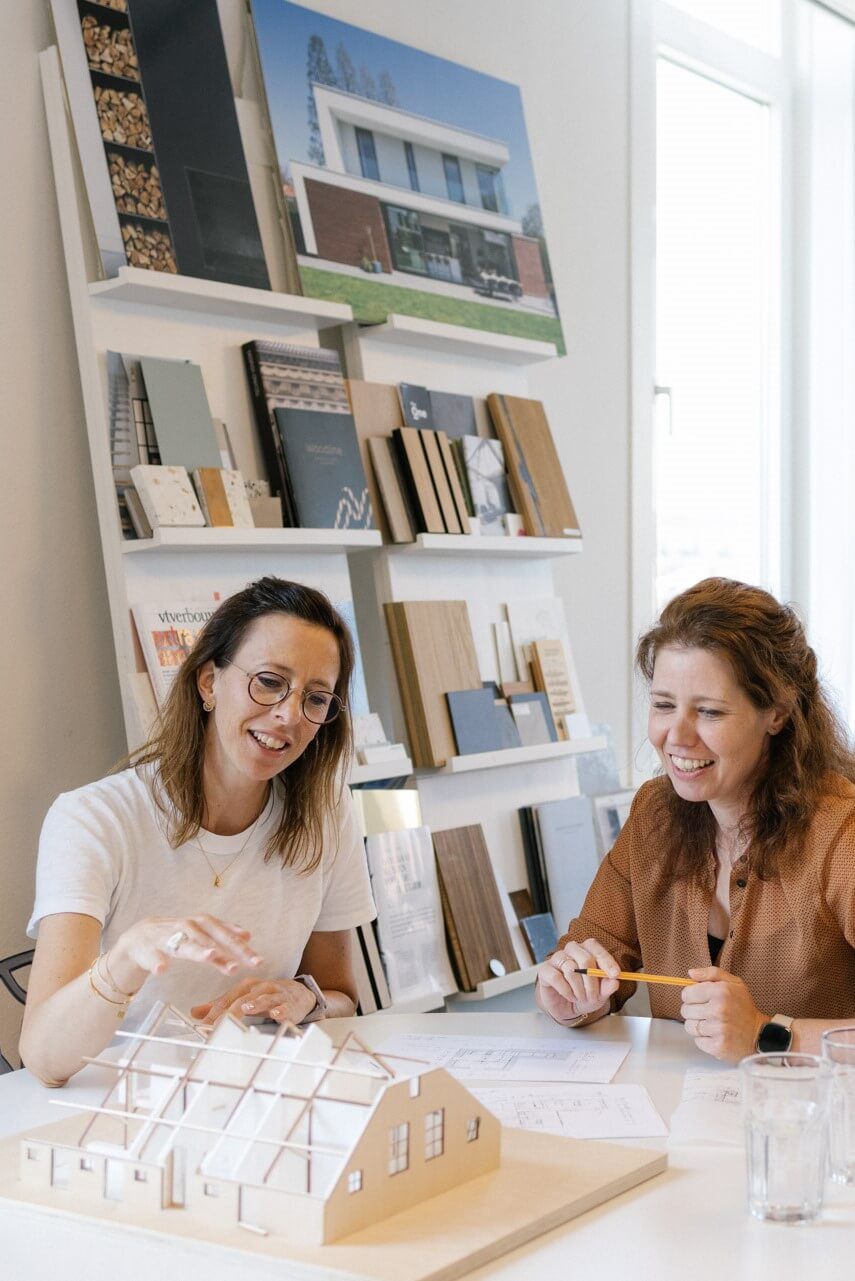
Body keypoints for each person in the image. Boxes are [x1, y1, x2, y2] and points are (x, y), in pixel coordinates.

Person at [21, 577, 375, 1086]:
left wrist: (304, 997)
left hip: (256, 1092)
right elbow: (44, 1058)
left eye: (315, 698)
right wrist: (129, 955)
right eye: (270, 681)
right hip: (120, 1104)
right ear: (209, 682)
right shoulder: (92, 819)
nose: (288, 715)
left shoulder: (327, 811)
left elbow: (341, 994)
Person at [537, 577, 855, 1063]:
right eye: (664, 705)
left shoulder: (842, 832)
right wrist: (567, 995)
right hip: (684, 1116)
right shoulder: (654, 814)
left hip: (815, 1125)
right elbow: (591, 955)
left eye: (708, 711)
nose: (676, 736)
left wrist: (767, 1034)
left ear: (777, 713)